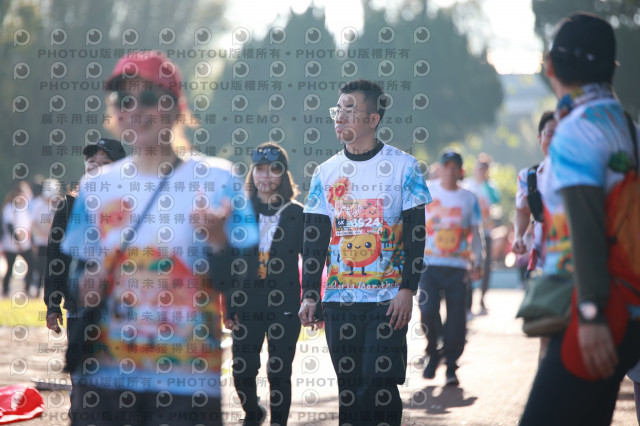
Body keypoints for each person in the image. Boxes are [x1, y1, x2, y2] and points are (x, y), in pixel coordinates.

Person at [61, 50, 258, 426]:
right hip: (105, 378)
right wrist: (85, 284)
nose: (134, 110)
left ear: (174, 106)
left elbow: (240, 283)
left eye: (148, 97)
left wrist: (218, 240)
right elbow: (78, 275)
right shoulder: (96, 186)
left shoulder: (219, 179)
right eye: (123, 100)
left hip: (186, 381)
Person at [520, 13, 640, 425]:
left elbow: (583, 224)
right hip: (630, 305)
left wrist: (590, 313)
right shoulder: (626, 127)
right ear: (612, 68)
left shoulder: (576, 129)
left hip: (592, 309)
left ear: (551, 66)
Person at [299, 79, 431, 426]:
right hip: (339, 301)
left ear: (373, 119)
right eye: (338, 109)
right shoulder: (325, 173)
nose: (340, 116)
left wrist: (408, 289)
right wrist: (310, 293)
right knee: (350, 390)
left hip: (387, 301)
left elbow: (416, 235)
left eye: (350, 109)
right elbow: (314, 239)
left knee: (378, 384)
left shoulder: (404, 167)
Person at [225, 142, 303, 426]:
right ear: (252, 172)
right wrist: (228, 305)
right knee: (242, 368)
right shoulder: (240, 211)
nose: (266, 175)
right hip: (247, 302)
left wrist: (312, 299)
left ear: (284, 174)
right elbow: (229, 260)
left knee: (279, 371)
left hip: (285, 302)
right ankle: (253, 412)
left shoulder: (298, 213)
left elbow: (311, 261)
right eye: (259, 169)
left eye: (273, 169)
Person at [44, 138, 126, 335]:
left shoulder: (130, 205)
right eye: (92, 161)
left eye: (105, 163)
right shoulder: (69, 206)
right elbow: (55, 257)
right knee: (80, 353)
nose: (96, 167)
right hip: (79, 302)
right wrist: (53, 305)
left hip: (121, 304)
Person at [420, 151, 483, 386]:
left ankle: (451, 365)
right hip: (428, 264)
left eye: (455, 167)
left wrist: (478, 260)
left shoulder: (469, 197)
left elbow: (476, 232)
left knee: (456, 318)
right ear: (439, 168)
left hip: (457, 266)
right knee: (427, 310)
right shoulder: (426, 191)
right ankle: (433, 350)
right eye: (446, 166)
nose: (450, 171)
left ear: (461, 171)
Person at [511, 111, 556, 361]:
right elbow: (522, 210)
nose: (555, 139)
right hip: (542, 265)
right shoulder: (529, 177)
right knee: (546, 331)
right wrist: (519, 236)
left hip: (580, 263)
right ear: (540, 138)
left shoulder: (584, 172)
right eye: (550, 133)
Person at [463, 152, 500, 314]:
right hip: (470, 233)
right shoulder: (467, 184)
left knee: (486, 266)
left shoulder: (490, 187)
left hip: (486, 231)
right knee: (469, 265)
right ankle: (468, 303)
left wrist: (485, 183)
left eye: (485, 168)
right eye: (480, 167)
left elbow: (496, 201)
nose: (482, 171)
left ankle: (482, 299)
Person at [1, 180, 34, 297]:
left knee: (31, 264)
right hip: (11, 244)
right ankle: (5, 291)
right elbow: (10, 227)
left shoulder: (25, 209)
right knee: (10, 267)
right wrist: (18, 242)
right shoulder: (10, 207)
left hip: (25, 243)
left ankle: (27, 289)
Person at [29, 178, 61, 297]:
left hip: (53, 240)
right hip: (40, 240)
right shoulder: (38, 203)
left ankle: (52, 291)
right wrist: (36, 237)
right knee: (41, 265)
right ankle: (37, 289)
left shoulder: (58, 203)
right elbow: (32, 222)